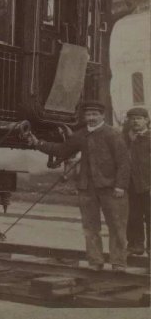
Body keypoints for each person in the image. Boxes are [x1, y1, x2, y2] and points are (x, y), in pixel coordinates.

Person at [26, 100, 130, 271]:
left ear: (102, 116)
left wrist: (120, 186)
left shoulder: (112, 134)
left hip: (111, 188)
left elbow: (124, 163)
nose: (91, 118)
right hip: (86, 188)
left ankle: (118, 262)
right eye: (88, 115)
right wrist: (38, 143)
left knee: (117, 226)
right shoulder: (80, 135)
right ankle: (95, 261)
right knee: (90, 227)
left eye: (95, 115)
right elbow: (61, 150)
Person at [124, 107, 150, 255]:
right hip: (130, 185)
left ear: (146, 120)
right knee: (133, 216)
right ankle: (136, 245)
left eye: (139, 118)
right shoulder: (125, 138)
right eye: (132, 118)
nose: (135, 121)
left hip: (148, 185)